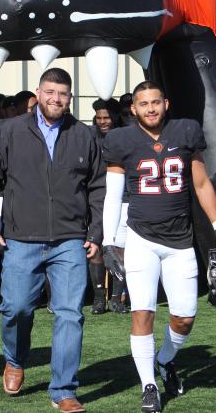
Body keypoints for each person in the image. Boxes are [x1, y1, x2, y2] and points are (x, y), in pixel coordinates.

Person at [0, 68, 104, 413]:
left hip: (70, 240)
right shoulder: (10, 131)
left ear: (70, 98)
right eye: (49, 92)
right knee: (16, 307)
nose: (55, 99)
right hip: (21, 238)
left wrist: (95, 233)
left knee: (70, 314)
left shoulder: (84, 135)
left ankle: (63, 389)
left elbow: (97, 187)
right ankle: (15, 359)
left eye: (62, 94)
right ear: (38, 93)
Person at [102, 81, 216, 412]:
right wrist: (107, 242)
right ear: (133, 108)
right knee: (141, 312)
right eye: (143, 104)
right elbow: (114, 195)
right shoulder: (121, 140)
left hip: (180, 240)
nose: (150, 109)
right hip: (141, 238)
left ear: (166, 102)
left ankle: (164, 359)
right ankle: (148, 386)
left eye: (155, 102)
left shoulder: (185, 131)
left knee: (185, 316)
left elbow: (200, 183)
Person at [89, 98, 127, 314]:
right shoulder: (89, 135)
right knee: (95, 245)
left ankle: (116, 298)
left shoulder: (123, 136)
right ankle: (98, 298)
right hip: (96, 196)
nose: (102, 122)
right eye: (99, 118)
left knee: (119, 248)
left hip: (121, 198)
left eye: (106, 118)